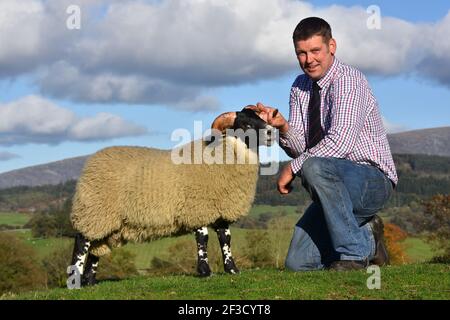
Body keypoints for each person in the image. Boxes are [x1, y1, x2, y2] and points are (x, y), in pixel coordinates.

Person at [253, 17, 398, 271]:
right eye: (301, 53)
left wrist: (292, 167)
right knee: (298, 264)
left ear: (332, 46)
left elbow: (339, 142)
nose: (309, 60)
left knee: (312, 167)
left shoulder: (349, 80)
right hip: (332, 185)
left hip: (371, 180)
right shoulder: (299, 87)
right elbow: (303, 149)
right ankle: (369, 239)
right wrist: (284, 127)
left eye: (315, 51)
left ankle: (353, 256)